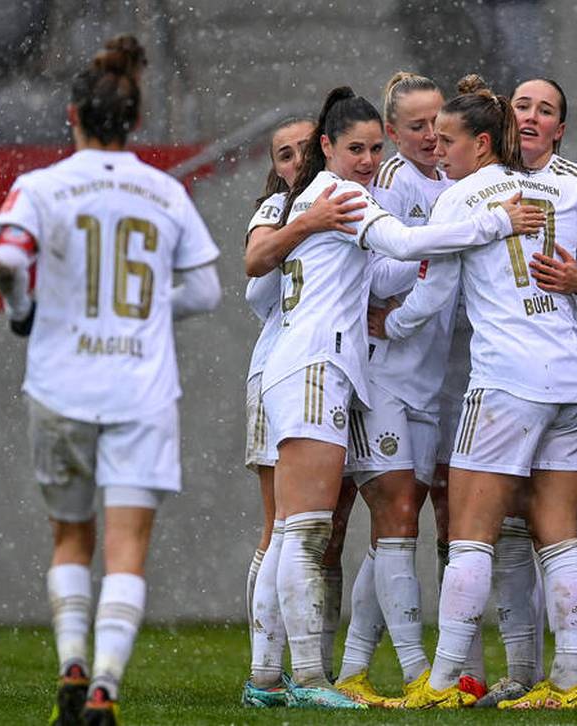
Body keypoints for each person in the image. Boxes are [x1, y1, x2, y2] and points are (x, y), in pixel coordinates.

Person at [256, 84, 543, 710]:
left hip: (315, 366)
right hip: (319, 365)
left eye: (373, 149)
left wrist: (431, 256)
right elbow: (405, 246)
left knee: (293, 531)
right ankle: (317, 678)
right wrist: (496, 222)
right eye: (356, 148)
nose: (368, 160)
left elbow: (387, 267)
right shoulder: (349, 193)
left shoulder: (316, 197)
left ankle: (271, 676)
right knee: (309, 531)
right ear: (328, 146)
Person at [0, 35, 222, 725]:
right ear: (136, 119)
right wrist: (147, 309)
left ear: (73, 115)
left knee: (70, 537)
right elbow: (206, 291)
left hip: (61, 385)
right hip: (139, 391)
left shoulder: (41, 186)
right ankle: (106, 687)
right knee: (127, 550)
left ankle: (71, 662)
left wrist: (22, 310)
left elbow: (7, 261)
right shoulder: (165, 191)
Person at [405, 74, 577, 710]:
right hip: (568, 378)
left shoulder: (474, 194)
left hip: (513, 379)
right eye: (523, 106)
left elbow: (431, 293)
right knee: (552, 531)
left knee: (471, 535)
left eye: (447, 140)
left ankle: (440, 683)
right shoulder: (564, 191)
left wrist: (391, 324)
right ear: (506, 120)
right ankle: (558, 681)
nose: (437, 149)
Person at [335, 71, 487, 705]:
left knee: (395, 531)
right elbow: (373, 275)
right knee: (398, 522)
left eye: (436, 124)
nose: (429, 136)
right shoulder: (393, 182)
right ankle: (418, 671)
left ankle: (351, 669)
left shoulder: (456, 184)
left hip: (431, 385)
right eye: (416, 126)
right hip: (385, 377)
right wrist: (428, 260)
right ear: (394, 134)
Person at [239, 117, 368, 708]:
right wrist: (308, 227)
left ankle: (269, 676)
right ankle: (285, 671)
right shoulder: (280, 207)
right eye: (283, 155)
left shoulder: (329, 201)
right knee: (285, 528)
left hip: (300, 368)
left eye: (300, 151)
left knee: (297, 528)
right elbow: (256, 281)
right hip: (285, 369)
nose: (294, 162)